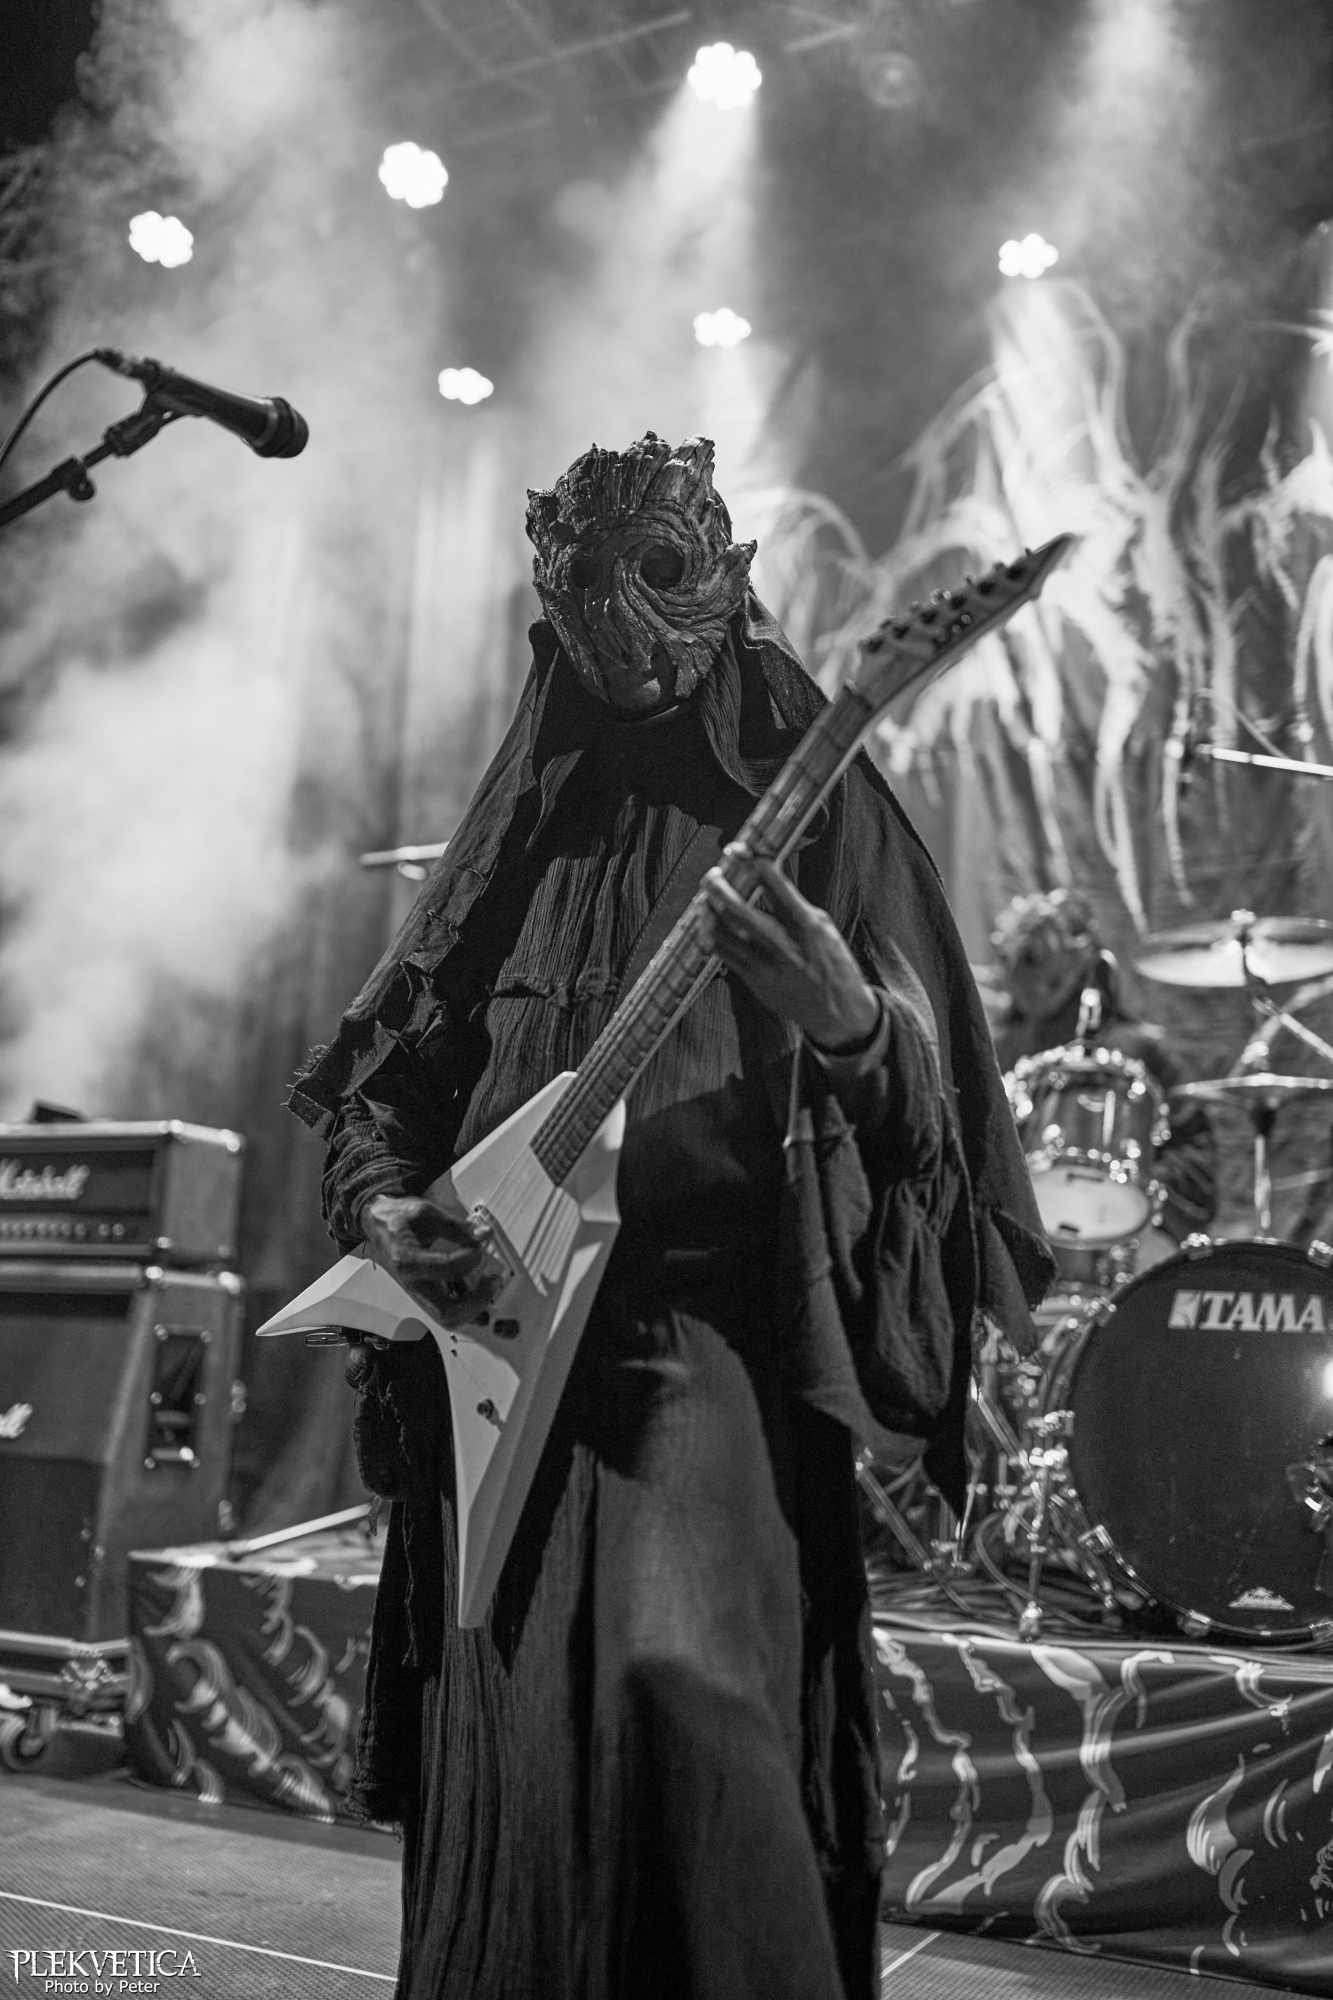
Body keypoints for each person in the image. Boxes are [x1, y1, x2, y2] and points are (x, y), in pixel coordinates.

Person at [285, 432, 1053, 2000]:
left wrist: (852, 1028)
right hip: (498, 1345)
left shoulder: (816, 802)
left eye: (659, 574)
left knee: (680, 1692)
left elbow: (941, 1117)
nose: (623, 622)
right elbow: (388, 1082)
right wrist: (385, 1208)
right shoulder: (530, 822)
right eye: (585, 586)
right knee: (507, 1738)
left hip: (698, 1336)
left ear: (728, 578)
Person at [989, 887, 1217, 1256]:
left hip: (1123, 1250)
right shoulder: (996, 1053)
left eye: (1035, 958)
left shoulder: (1140, 1053)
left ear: (1082, 958)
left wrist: (1131, 1188)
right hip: (1012, 1249)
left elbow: (1197, 1169)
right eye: (1013, 959)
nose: (1024, 975)